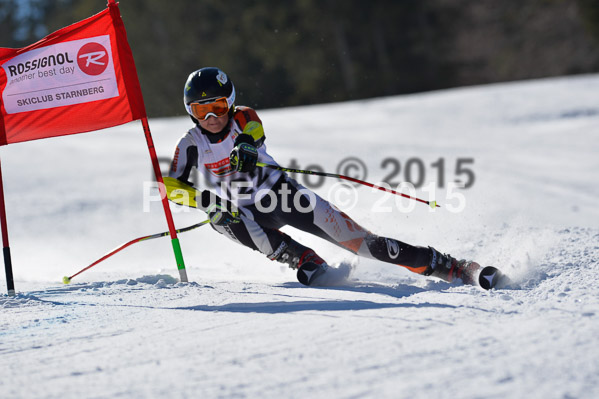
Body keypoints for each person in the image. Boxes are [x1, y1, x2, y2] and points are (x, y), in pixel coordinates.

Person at [168, 67, 483, 287]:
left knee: (362, 244)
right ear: (190, 113)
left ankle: (446, 266)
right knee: (219, 218)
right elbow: (170, 186)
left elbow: (253, 127)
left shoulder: (241, 118)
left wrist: (247, 145)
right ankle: (304, 259)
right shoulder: (190, 144)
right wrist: (203, 199)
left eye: (218, 106)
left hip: (283, 196)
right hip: (247, 213)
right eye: (201, 111)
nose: (211, 118)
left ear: (230, 101)